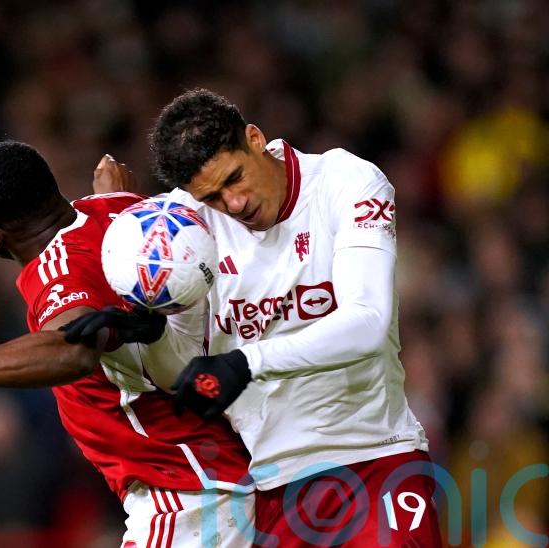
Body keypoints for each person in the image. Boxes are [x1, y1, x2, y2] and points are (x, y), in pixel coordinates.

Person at [66, 89, 443, 547]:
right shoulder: (187, 230)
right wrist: (154, 336)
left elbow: (366, 321)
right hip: (273, 487)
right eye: (214, 196)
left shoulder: (346, 181)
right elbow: (186, 377)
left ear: (255, 137)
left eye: (235, 178)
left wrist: (246, 362)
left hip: (376, 460)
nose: (235, 204)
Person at [0, 141, 255, 547]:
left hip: (186, 496)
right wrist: (116, 197)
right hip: (215, 479)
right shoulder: (118, 214)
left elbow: (70, 349)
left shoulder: (57, 270)